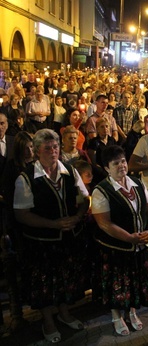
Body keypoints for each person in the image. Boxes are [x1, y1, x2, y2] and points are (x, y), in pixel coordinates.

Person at [13, 129, 89, 343]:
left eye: (55, 147)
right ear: (37, 151)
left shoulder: (70, 172)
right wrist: (52, 224)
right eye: (47, 148)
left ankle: (64, 314)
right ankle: (48, 321)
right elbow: (21, 214)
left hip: (68, 239)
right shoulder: (26, 178)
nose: (53, 151)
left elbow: (85, 199)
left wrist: (77, 217)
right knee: (45, 285)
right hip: (41, 242)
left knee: (65, 280)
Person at [91, 145, 148, 336]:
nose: (121, 166)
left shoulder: (137, 182)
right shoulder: (101, 190)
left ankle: (132, 311)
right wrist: (129, 238)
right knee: (117, 283)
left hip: (140, 245)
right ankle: (116, 315)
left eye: (123, 161)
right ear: (106, 168)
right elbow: (104, 223)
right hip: (116, 248)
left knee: (135, 281)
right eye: (115, 163)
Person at [0, 131, 33, 333]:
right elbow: (9, 195)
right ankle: (16, 312)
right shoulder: (13, 168)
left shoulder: (35, 165)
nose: (30, 150)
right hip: (17, 221)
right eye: (27, 147)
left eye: (32, 146)